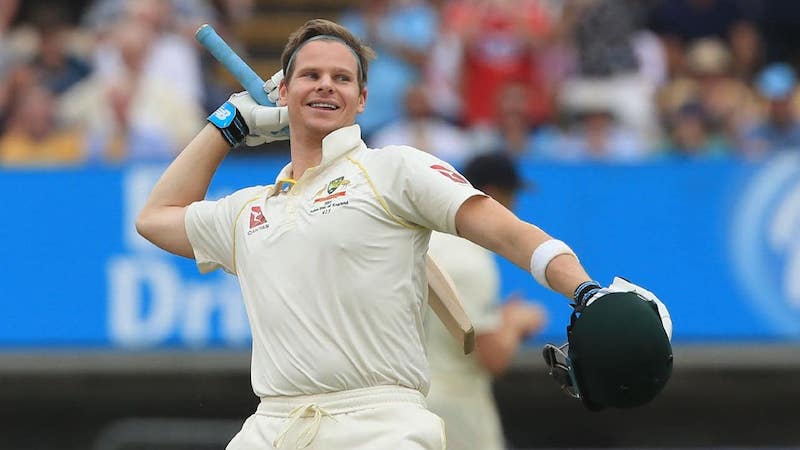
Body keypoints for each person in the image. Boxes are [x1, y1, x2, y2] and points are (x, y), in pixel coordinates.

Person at [136, 18, 672, 450]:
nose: (325, 84)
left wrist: (584, 290)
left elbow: (505, 231)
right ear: (284, 92)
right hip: (272, 427)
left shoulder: (394, 170)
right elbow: (155, 217)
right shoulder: (250, 209)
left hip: (378, 426)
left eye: (342, 78)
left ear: (363, 99)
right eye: (310, 75)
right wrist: (227, 125)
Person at [425, 152, 546, 450]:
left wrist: (499, 318)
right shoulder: (472, 260)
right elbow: (493, 357)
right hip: (456, 410)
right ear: (491, 194)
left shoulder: (429, 241)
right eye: (511, 195)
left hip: (408, 407)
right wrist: (516, 323)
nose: (514, 207)